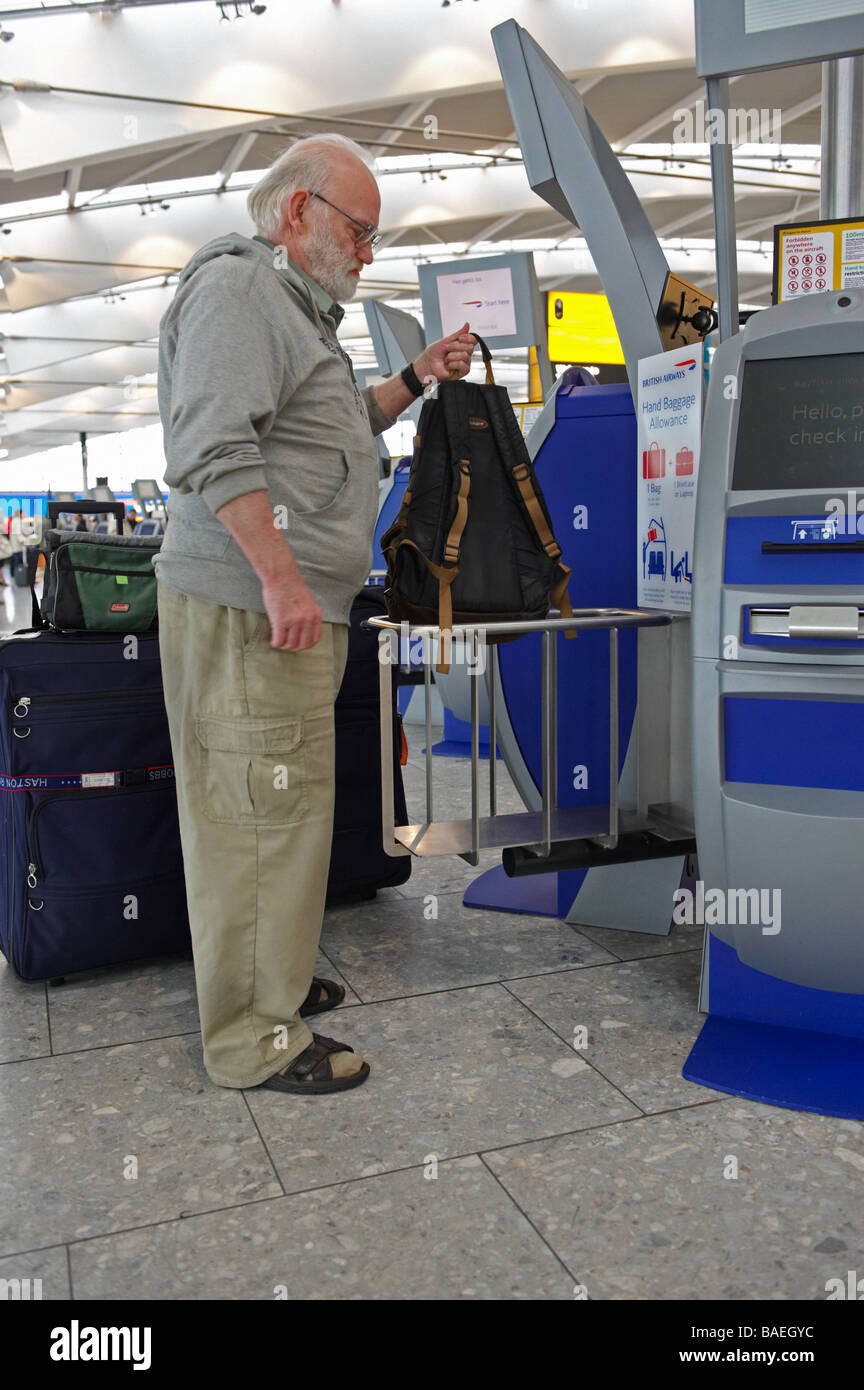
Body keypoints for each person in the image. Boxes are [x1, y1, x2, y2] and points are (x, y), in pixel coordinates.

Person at [155, 133, 475, 1096]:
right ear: (297, 210)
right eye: (359, 230)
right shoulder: (242, 292)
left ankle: (272, 984)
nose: (368, 252)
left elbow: (330, 432)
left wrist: (414, 379)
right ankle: (253, 1036)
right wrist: (283, 580)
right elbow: (211, 446)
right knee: (258, 816)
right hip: (256, 608)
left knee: (281, 811)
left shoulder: (296, 310)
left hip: (284, 607)